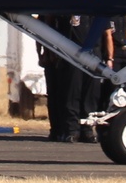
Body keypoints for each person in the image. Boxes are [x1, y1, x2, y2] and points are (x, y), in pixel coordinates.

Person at [40, 13, 93, 143]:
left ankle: (87, 130)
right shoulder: (62, 13)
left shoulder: (93, 13)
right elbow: (47, 29)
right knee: (70, 94)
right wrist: (45, 54)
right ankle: (71, 130)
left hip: (91, 54)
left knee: (89, 96)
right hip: (70, 55)